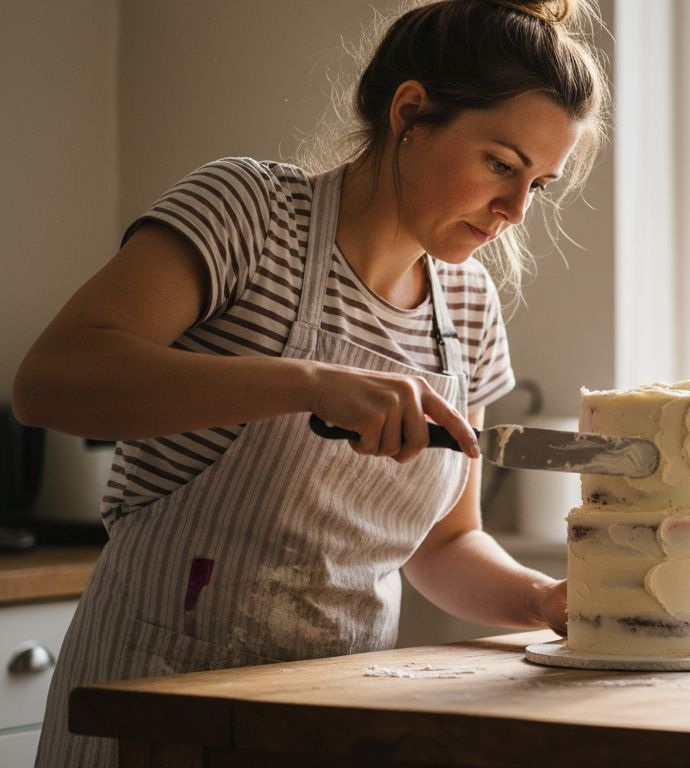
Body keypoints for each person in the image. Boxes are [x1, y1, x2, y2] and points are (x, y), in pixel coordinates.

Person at [13, 1, 607, 763]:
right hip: (153, 712)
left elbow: (448, 542)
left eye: (541, 185)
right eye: (501, 163)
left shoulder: (467, 306)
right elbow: (51, 379)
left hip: (329, 720)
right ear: (411, 113)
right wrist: (308, 384)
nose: (516, 211)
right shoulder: (252, 213)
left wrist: (542, 601)